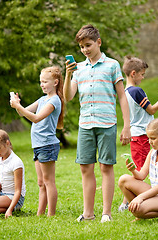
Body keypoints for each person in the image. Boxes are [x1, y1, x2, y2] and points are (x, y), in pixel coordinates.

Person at [64, 24, 131, 223]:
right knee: (85, 167)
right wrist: (68, 75)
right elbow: (68, 97)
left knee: (106, 167)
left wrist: (126, 126)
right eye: (82, 47)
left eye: (88, 45)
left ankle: (106, 214)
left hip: (107, 123)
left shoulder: (112, 65)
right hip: (85, 124)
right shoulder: (78, 69)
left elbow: (122, 96)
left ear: (98, 42)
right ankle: (88, 214)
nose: (85, 50)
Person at [10, 66, 64, 217]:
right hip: (38, 145)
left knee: (48, 181)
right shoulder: (42, 99)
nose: (42, 84)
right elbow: (23, 113)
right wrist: (17, 105)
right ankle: (40, 214)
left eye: (45, 81)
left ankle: (51, 214)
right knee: (41, 182)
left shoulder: (54, 100)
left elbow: (35, 117)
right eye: (41, 81)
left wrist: (18, 107)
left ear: (55, 82)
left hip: (47, 145)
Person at [118, 56, 158, 212]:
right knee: (140, 171)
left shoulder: (124, 92)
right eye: (142, 74)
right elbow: (151, 110)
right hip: (142, 137)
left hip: (136, 136)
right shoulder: (136, 91)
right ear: (133, 73)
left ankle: (128, 201)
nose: (143, 77)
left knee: (140, 169)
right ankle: (126, 203)